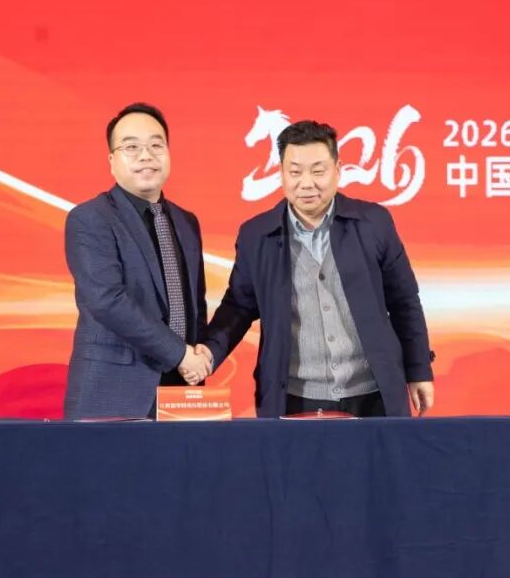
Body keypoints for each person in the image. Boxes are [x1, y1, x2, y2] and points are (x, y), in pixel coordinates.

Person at [203, 119, 435, 418]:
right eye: (295, 172)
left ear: (338, 170)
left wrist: (419, 369)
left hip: (374, 392)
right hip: (294, 397)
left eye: (318, 171)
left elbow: (404, 301)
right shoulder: (256, 235)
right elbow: (238, 307)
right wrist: (209, 352)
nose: (306, 183)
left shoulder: (373, 223)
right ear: (281, 173)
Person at [63, 103, 211, 420]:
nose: (146, 156)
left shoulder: (186, 222)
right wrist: (179, 354)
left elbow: (195, 304)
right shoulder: (90, 219)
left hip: (181, 388)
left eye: (156, 145)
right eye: (131, 147)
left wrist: (197, 358)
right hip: (114, 390)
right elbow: (106, 300)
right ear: (112, 161)